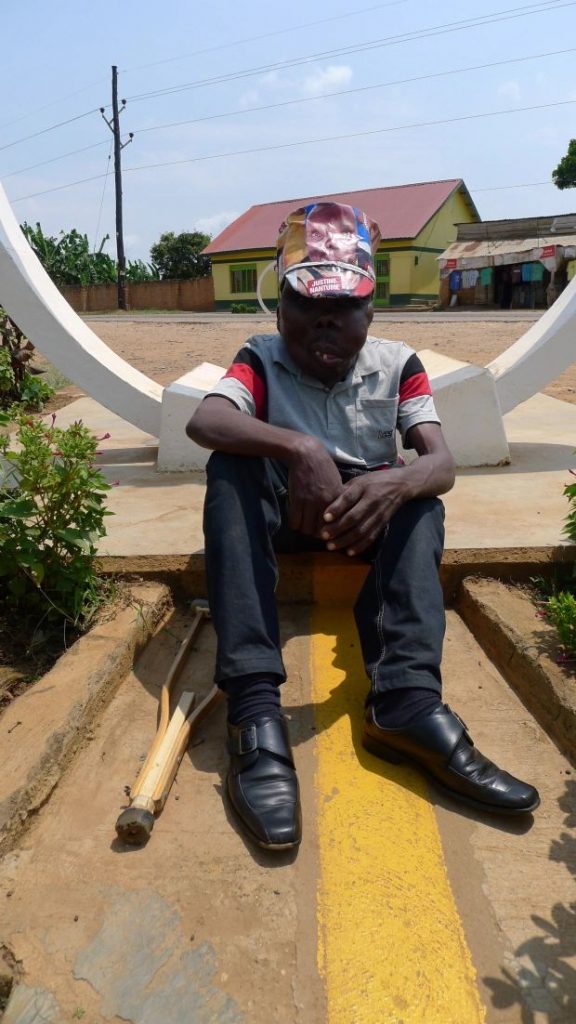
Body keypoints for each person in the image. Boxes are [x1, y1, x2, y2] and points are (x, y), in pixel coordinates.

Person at [186, 202, 540, 852]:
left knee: (422, 504)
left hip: (360, 521)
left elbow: (438, 461)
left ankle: (405, 701)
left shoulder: (398, 364)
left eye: (345, 305)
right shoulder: (259, 359)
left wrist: (394, 482)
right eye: (307, 301)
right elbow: (207, 421)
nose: (326, 318)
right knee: (230, 474)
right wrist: (301, 450)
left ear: (370, 312)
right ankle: (255, 708)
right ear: (280, 306)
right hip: (286, 514)